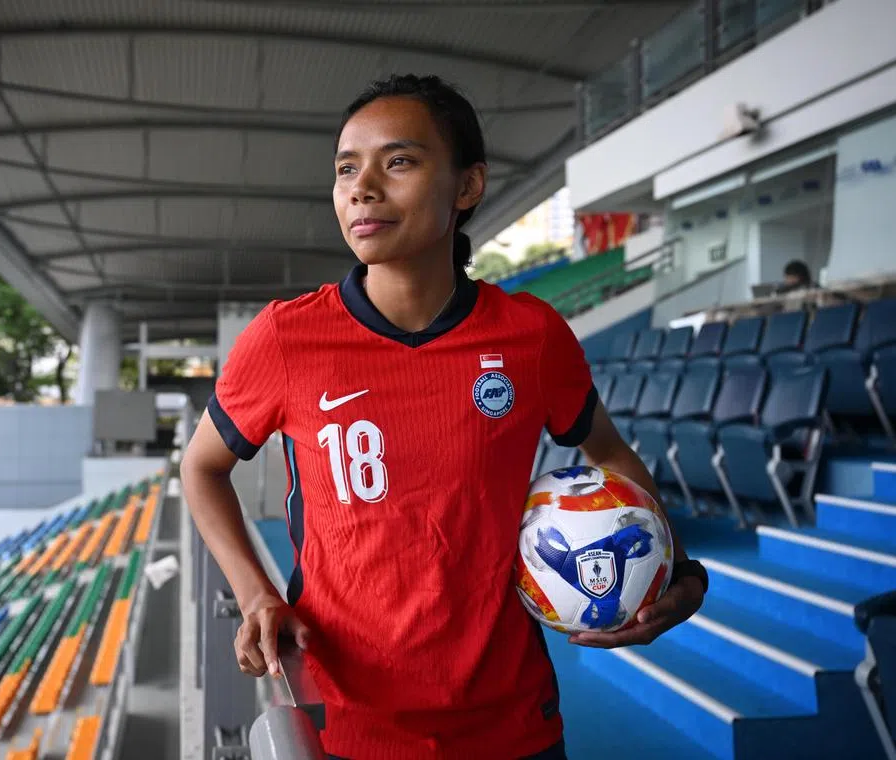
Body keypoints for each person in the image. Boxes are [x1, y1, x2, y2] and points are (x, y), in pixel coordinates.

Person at [180, 74, 708, 760]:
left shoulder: (531, 335)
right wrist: (255, 593)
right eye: (346, 168)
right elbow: (201, 467)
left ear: (467, 186)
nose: (362, 187)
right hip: (352, 724)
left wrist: (677, 571)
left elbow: (607, 453)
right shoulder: (286, 338)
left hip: (513, 722)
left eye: (398, 161)